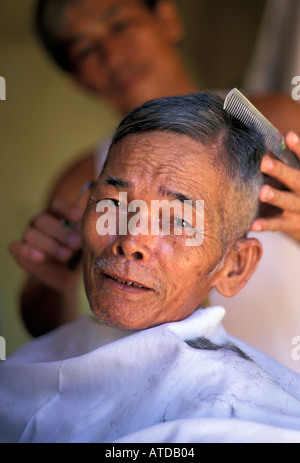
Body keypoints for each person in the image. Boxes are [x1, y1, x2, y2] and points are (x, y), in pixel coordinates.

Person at [8, 0, 300, 370]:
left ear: (167, 18)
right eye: (85, 49)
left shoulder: (282, 124)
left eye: (119, 26)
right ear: (77, 78)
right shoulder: (79, 181)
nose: (112, 54)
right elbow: (48, 335)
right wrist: (53, 282)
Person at [2, 92, 300, 444]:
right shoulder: (25, 369)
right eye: (114, 203)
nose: (131, 241)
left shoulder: (242, 417)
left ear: (234, 267)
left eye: (177, 220)